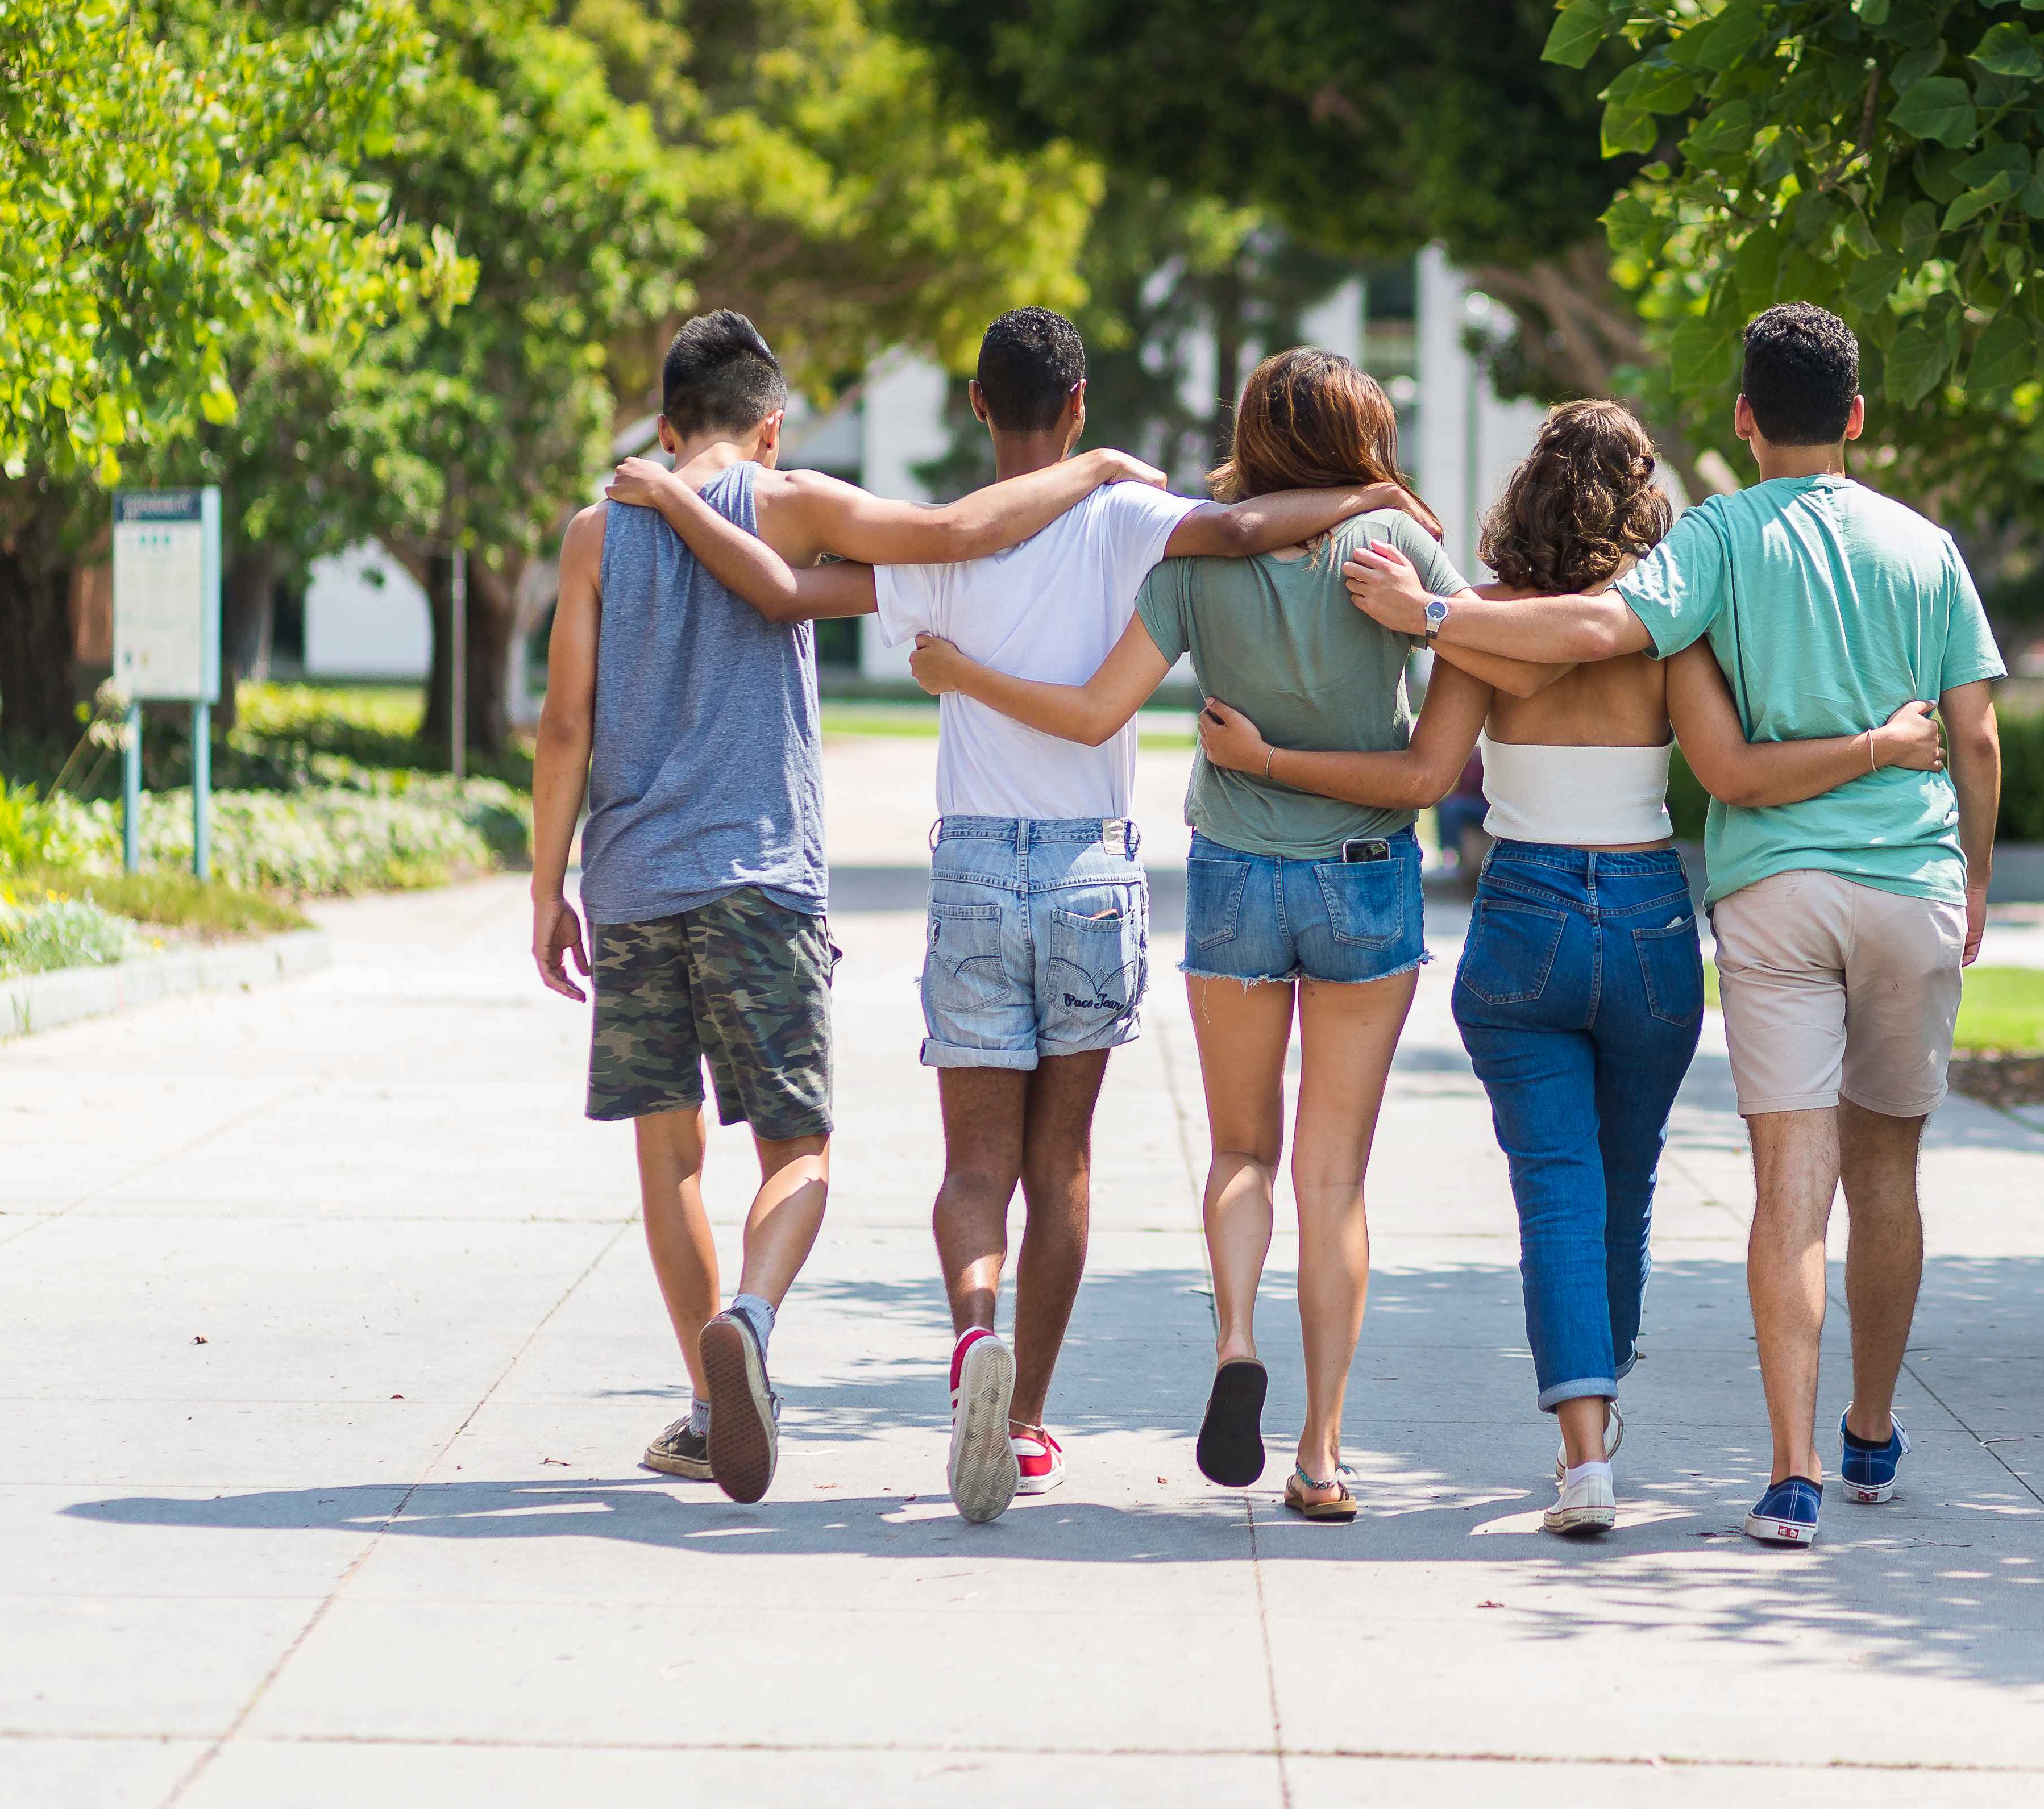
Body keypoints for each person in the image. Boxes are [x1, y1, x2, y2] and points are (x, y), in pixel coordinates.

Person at [602, 307, 1439, 1524]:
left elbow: (783, 592)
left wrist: (677, 504)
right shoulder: (1129, 516)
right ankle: (1031, 1421)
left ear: (979, 408)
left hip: (977, 874)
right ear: (1081, 405)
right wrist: (1375, 497)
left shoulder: (937, 538)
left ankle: (972, 1340)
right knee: (1065, 1165)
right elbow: (1252, 522)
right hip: (1094, 877)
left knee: (977, 1166)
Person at [1198, 398, 1947, 1537]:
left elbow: (1417, 778)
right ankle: (1603, 1410)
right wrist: (1883, 749)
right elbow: (1732, 772)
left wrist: (1263, 760)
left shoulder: (1483, 625)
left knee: (1555, 1190)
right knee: (1626, 1181)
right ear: (1644, 505)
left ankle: (1584, 1456)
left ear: (1524, 498)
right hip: (1647, 921)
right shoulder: (1665, 634)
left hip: (1526, 917)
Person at [1344, 305, 2005, 1549]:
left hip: (1616, 908)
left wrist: (1408, 636)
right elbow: (1913, 741)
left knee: (1656, 1188)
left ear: (1748, 416)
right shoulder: (1841, 571)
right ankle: (1852, 1431)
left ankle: (1675, 1458)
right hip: (1744, 903)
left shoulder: (1584, 596)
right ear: (1857, 416)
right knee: (1813, 1172)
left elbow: (1462, 761)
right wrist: (1965, 862)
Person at [531, 310, 1168, 1507]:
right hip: (760, 874)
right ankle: (753, 1320)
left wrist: (544, 887)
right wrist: (1094, 464)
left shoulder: (590, 533)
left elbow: (564, 722)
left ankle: (716, 1402)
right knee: (799, 1148)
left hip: (625, 879)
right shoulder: (790, 497)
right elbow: (957, 530)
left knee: (669, 1159)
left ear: (664, 426)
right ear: (771, 426)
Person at [910, 347, 1555, 1522]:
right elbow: (1464, 710)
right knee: (1337, 1175)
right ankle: (1319, 1453)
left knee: (1242, 1155)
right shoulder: (1399, 548)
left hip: (1238, 878)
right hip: (1365, 880)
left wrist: (963, 677)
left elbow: (1098, 711)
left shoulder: (1194, 558)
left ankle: (1239, 1338)